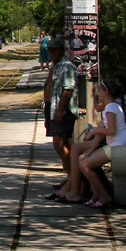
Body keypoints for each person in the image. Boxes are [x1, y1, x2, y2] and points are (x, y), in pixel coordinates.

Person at [78, 77, 126, 209]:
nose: (97, 93)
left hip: (119, 146)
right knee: (84, 159)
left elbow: (111, 130)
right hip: (115, 144)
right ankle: (96, 195)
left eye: (99, 90)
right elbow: (100, 132)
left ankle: (104, 196)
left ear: (106, 92)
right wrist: (90, 151)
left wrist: (96, 130)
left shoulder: (110, 108)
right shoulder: (110, 107)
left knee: (85, 165)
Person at [42, 36, 78, 177]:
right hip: (51, 109)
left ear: (62, 51)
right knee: (61, 145)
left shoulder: (67, 67)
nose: (52, 53)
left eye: (55, 50)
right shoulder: (54, 67)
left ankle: (73, 179)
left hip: (62, 111)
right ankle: (71, 177)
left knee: (59, 144)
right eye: (49, 50)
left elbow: (68, 90)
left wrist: (60, 110)